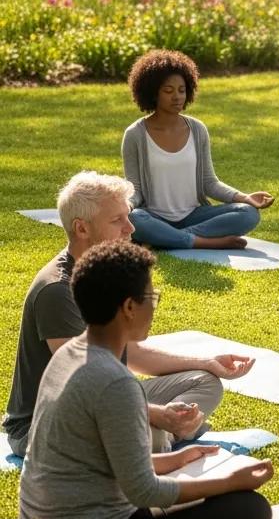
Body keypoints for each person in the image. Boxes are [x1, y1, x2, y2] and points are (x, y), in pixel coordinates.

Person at [18, 239, 273, 519]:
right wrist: (229, 482)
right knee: (250, 509)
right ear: (128, 307)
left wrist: (177, 459)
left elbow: (97, 460)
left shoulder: (69, 353)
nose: (154, 307)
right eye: (151, 299)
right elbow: (143, 490)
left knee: (208, 500)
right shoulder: (115, 382)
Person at [3, 172, 254, 457]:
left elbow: (128, 353)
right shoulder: (58, 291)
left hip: (108, 401)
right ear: (81, 229)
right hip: (48, 423)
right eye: (117, 220)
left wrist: (207, 362)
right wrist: (158, 415)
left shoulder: (105, 275)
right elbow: (81, 383)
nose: (130, 228)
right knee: (149, 434)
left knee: (204, 381)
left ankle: (158, 438)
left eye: (128, 216)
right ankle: (160, 439)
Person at [121, 48, 274, 249]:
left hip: (194, 216)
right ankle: (201, 241)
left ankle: (167, 239)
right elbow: (136, 190)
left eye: (181, 90)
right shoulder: (135, 135)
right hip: (153, 216)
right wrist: (127, 205)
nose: (177, 97)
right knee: (135, 218)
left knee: (248, 213)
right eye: (168, 91)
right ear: (152, 92)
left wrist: (245, 197)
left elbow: (209, 183)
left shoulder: (197, 129)